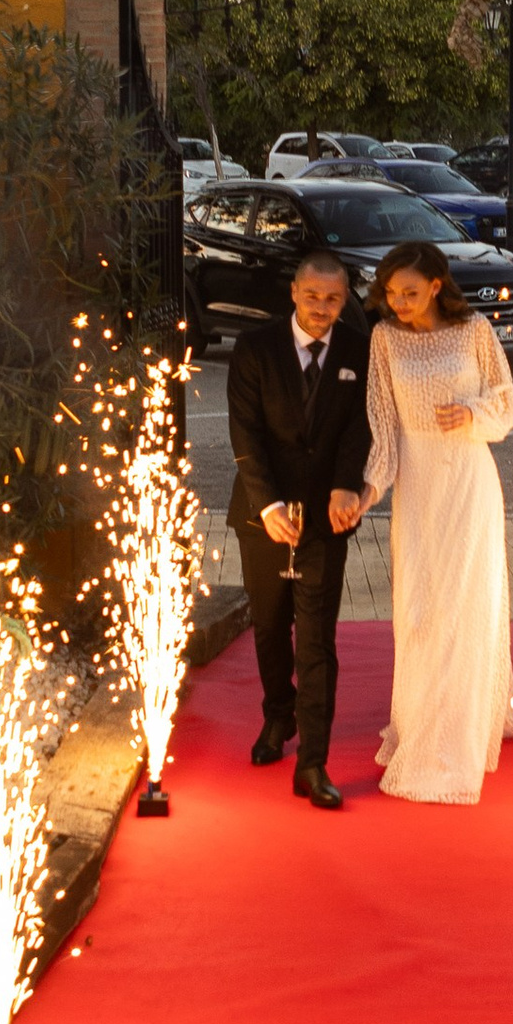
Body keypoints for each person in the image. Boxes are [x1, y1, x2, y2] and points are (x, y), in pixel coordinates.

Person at [359, 240, 513, 806]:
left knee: (467, 604)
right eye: (391, 293)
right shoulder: (383, 339)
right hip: (419, 487)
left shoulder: (475, 331)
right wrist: (368, 489)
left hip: (470, 481)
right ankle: (422, 719)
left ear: (438, 286)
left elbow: (506, 403)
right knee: (421, 609)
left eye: (410, 291)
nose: (398, 302)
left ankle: (460, 729)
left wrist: (472, 414)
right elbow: (382, 424)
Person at [226, 247, 374, 809]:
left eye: (333, 298)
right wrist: (267, 507)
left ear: (344, 300)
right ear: (294, 292)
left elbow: (361, 427)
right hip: (261, 514)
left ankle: (313, 761)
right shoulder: (254, 347)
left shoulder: (360, 351)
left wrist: (348, 485)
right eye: (312, 296)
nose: (321, 307)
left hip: (325, 517)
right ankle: (277, 718)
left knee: (316, 639)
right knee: (269, 625)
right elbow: (245, 434)